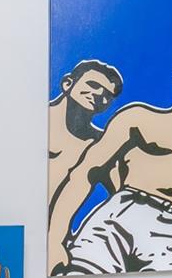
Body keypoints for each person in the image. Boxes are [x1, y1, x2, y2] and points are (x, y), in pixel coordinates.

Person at [47, 51, 172, 274]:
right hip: (119, 217)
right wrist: (56, 239)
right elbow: (86, 173)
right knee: (80, 276)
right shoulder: (138, 119)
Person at [46, 59, 123, 200]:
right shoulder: (31, 118)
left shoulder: (100, 143)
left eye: (107, 95)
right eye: (93, 85)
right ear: (68, 84)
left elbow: (121, 192)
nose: (99, 94)